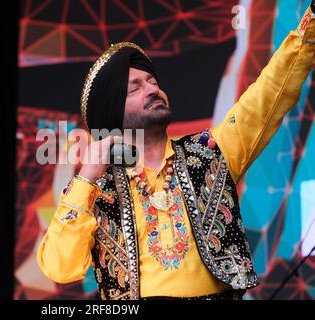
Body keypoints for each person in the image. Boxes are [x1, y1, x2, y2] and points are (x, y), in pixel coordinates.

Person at [37, 3, 315, 300]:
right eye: (135, 89)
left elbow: (268, 93)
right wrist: (86, 178)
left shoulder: (210, 152)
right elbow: (59, 268)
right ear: (112, 111)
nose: (152, 90)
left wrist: (310, 27)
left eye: (153, 82)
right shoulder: (95, 189)